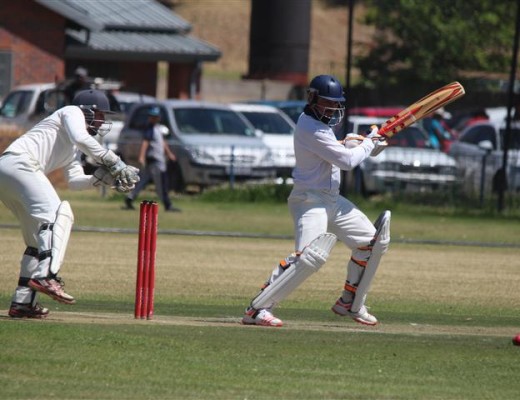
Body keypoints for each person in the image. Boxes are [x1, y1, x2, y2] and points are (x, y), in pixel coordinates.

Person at [241, 74, 391, 327]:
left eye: (336, 104)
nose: (332, 108)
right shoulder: (310, 126)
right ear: (312, 99)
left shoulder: (321, 127)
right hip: (310, 200)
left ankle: (350, 302)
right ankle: (257, 309)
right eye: (327, 103)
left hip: (332, 200)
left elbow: (336, 149)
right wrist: (368, 144)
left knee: (370, 243)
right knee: (309, 257)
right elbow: (346, 161)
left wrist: (357, 142)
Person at [0, 89, 140, 318]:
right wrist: (114, 161)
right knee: (58, 215)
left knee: (37, 242)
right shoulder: (70, 111)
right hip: (19, 165)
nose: (103, 121)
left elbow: (74, 181)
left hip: (8, 172)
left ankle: (22, 303)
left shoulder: (74, 148)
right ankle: (46, 276)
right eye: (100, 115)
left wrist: (102, 178)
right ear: (87, 111)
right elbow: (82, 138)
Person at [123, 106, 180, 212]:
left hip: (157, 159)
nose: (154, 118)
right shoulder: (150, 129)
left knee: (143, 180)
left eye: (156, 117)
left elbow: (163, 142)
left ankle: (130, 198)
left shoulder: (157, 128)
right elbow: (145, 142)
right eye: (152, 116)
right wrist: (141, 156)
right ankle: (168, 205)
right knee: (161, 183)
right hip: (155, 160)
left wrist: (169, 153)